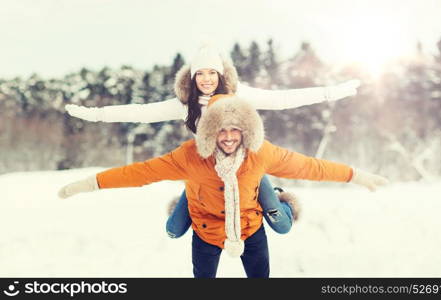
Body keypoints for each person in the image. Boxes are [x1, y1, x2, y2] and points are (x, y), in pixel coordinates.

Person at [58, 94, 389, 278]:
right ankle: (186, 199)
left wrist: (356, 176)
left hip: (250, 227)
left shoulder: (261, 154)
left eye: (236, 130)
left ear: (245, 131)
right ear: (210, 133)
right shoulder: (189, 156)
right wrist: (90, 183)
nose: (229, 137)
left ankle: (278, 199)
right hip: (205, 231)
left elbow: (310, 166)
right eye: (222, 131)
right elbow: (140, 172)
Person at [64, 42, 362, 239]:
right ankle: (193, 200)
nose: (206, 78)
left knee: (282, 226)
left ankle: (277, 195)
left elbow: (284, 99)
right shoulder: (186, 104)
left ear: (221, 74)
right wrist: (95, 115)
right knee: (174, 229)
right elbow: (140, 112)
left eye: (212, 72)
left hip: (246, 170)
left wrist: (332, 92)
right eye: (200, 73)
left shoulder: (239, 95)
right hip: (204, 173)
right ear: (193, 77)